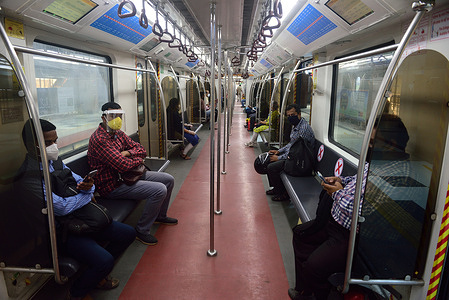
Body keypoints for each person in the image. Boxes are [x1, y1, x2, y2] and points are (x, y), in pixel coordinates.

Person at [288, 114, 410, 300]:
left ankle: (315, 294)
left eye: (372, 142)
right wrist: (341, 180)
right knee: (301, 234)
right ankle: (305, 288)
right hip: (334, 224)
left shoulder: (396, 176)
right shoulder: (380, 162)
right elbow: (357, 180)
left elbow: (362, 213)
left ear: (391, 143)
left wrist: (337, 192)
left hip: (354, 238)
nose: (369, 146)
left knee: (315, 266)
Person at [18, 119, 135, 300]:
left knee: (127, 234)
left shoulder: (55, 162)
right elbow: (61, 208)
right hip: (61, 232)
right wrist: (86, 195)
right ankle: (76, 293)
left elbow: (82, 180)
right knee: (104, 260)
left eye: (55, 141)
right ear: (32, 145)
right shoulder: (28, 178)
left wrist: (88, 186)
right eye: (47, 143)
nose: (53, 146)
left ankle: (96, 274)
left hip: (80, 218)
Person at [88, 102, 177, 246]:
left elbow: (141, 149)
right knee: (159, 190)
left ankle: (160, 216)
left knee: (168, 179)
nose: (116, 119)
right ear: (104, 118)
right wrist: (137, 159)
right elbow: (122, 165)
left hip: (128, 176)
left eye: (119, 116)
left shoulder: (118, 134)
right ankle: (142, 231)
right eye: (112, 116)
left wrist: (129, 153)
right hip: (113, 185)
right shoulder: (100, 139)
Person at [266, 103, 315, 201]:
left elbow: (297, 152)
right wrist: (278, 151)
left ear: (299, 114)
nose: (290, 117)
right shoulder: (295, 125)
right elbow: (291, 144)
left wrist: (279, 158)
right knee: (269, 159)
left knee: (272, 167)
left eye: (292, 115)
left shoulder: (303, 129)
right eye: (288, 116)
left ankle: (283, 194)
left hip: (301, 162)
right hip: (295, 157)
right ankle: (277, 188)